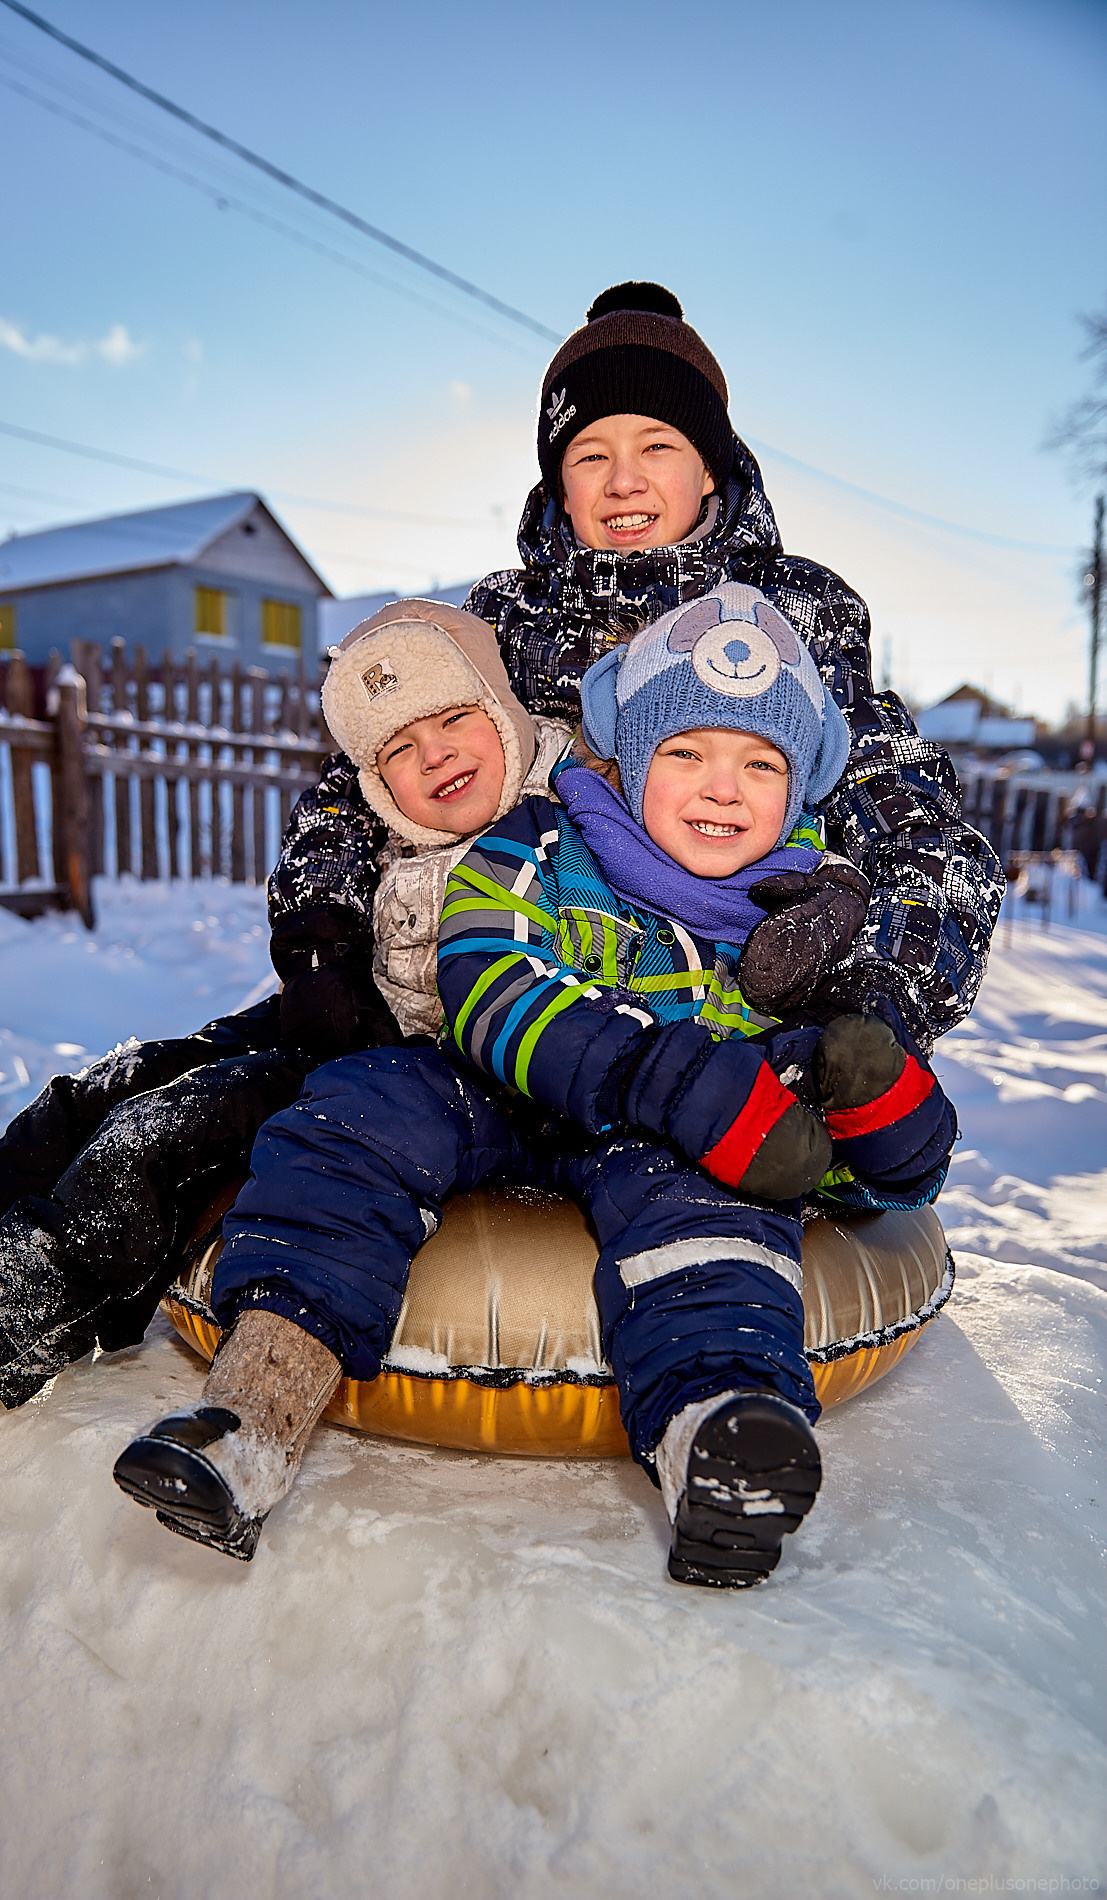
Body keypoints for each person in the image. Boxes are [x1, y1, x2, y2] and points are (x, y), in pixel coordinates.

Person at [115, 584, 956, 1586]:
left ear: (796, 789)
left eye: (759, 763)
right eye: (685, 753)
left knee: (716, 1212)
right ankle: (253, 1410)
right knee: (352, 1113)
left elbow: (836, 1158)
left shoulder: (807, 917)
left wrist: (880, 1117)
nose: (722, 789)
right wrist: (667, 1069)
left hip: (664, 1151)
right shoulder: (544, 842)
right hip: (497, 1085)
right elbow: (489, 978)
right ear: (629, 758)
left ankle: (719, 1437)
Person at [0, 601, 570, 1472]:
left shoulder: (572, 818)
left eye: (455, 720)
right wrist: (322, 965)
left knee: (176, 1132)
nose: (435, 754)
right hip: (365, 1017)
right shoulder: (384, 837)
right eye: (397, 750)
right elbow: (324, 854)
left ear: (504, 712)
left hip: (455, 1068)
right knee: (117, 1084)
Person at [270, 280, 1003, 1061]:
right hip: (511, 983)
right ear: (558, 484)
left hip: (723, 1004)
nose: (624, 481)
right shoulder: (509, 616)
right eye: (590, 455)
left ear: (710, 470)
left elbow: (908, 814)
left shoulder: (790, 613)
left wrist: (873, 991)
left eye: (658, 445)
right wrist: (322, 934)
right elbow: (366, 778)